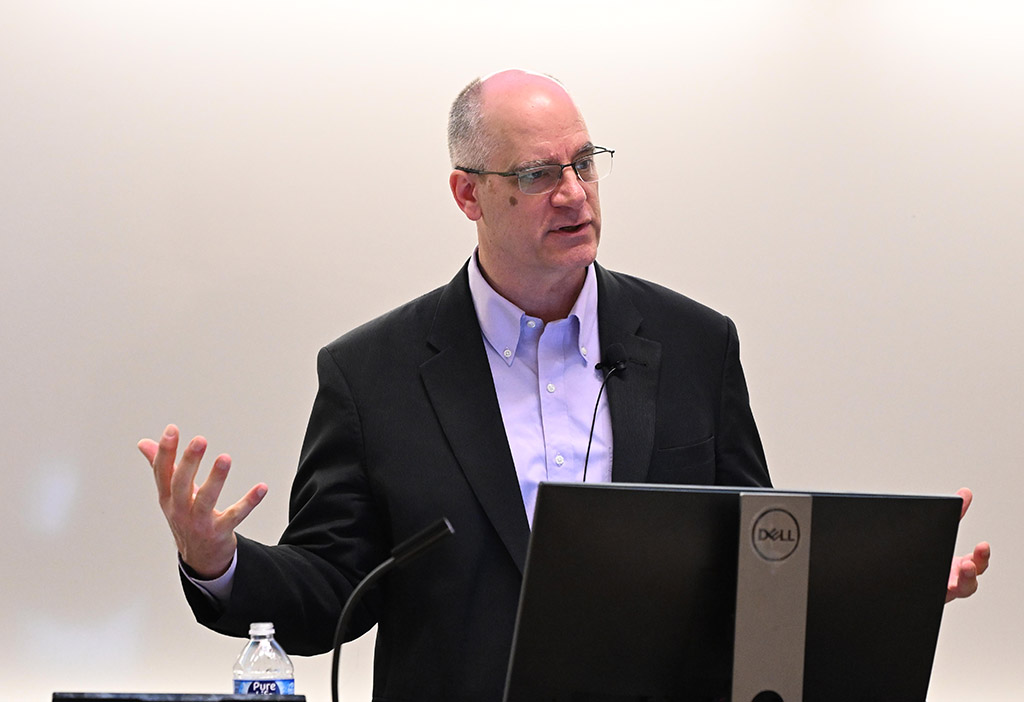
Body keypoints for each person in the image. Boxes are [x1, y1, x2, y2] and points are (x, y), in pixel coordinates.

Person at [139, 69, 990, 702]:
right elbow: (333, 595)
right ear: (467, 194)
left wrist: (883, 585)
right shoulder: (373, 376)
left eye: (584, 163)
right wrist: (219, 564)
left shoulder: (695, 344)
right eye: (538, 174)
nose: (574, 194)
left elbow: (753, 556)